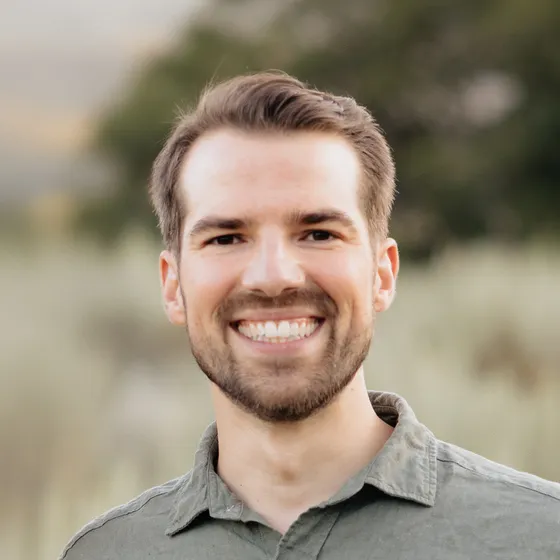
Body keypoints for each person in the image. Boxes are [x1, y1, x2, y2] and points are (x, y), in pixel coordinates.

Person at [59, 71, 560, 559]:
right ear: (173, 286)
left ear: (382, 274)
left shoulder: (539, 538)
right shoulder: (107, 552)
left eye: (318, 233)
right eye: (227, 238)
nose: (274, 276)